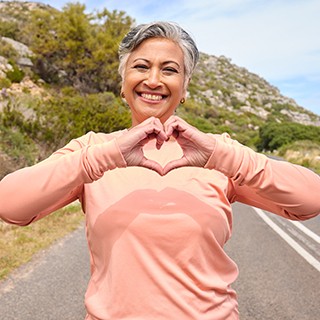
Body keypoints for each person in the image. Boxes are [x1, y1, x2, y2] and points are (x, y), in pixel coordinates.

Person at [0, 21, 319, 320]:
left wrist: (224, 156)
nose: (153, 80)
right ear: (123, 83)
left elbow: (310, 200)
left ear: (185, 86)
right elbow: (10, 205)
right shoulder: (94, 150)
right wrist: (103, 158)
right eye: (141, 66)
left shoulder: (215, 152)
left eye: (169, 70)